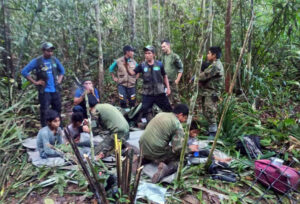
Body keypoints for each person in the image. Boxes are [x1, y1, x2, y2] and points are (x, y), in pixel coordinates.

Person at [139, 104, 198, 183]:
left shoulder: (161, 114)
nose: (184, 121)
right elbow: (177, 149)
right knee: (182, 160)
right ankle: (165, 170)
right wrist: (190, 149)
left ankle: (142, 159)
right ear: (180, 115)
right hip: (155, 150)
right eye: (185, 118)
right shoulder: (177, 125)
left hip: (142, 146)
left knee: (158, 146)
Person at [21, 42, 65, 127]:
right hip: (44, 91)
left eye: (51, 51)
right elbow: (24, 71)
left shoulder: (54, 60)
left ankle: (59, 128)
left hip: (55, 89)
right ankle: (45, 129)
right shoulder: (37, 61)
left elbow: (62, 71)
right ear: (43, 51)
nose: (50, 53)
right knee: (44, 111)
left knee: (57, 109)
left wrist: (59, 80)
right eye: (48, 51)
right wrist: (35, 82)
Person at [126, 45, 172, 125]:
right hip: (147, 93)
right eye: (146, 53)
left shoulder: (159, 64)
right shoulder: (142, 65)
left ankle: (171, 123)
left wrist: (168, 88)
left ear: (153, 54)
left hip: (159, 92)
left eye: (149, 53)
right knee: (144, 109)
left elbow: (165, 76)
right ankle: (145, 123)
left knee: (168, 108)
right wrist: (126, 65)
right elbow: (132, 73)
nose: (147, 55)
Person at [198, 47, 224, 137]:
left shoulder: (216, 65)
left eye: (209, 53)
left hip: (212, 92)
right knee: (206, 111)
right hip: (208, 91)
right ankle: (211, 130)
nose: (207, 55)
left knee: (210, 111)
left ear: (214, 55)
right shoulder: (212, 64)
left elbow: (205, 75)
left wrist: (196, 77)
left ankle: (213, 133)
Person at [161, 40, 184, 105]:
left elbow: (181, 68)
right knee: (166, 99)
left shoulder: (175, 56)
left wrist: (177, 80)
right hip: (165, 82)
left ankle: (179, 112)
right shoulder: (163, 56)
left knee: (176, 98)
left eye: (164, 47)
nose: (162, 48)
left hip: (173, 81)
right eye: (162, 47)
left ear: (168, 46)